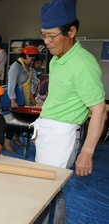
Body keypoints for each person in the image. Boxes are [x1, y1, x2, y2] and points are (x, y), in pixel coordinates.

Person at [31, 0, 107, 222]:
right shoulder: (57, 58)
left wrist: (86, 152)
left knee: (45, 191)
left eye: (52, 36)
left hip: (63, 136)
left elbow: (99, 110)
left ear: (72, 31)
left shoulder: (83, 64)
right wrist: (41, 130)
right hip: (48, 130)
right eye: (43, 35)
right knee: (48, 189)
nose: (46, 42)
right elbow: (57, 98)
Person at [3, 45, 39, 153]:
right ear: (26, 55)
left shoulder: (27, 67)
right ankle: (7, 143)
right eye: (31, 59)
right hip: (17, 99)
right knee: (15, 121)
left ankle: (16, 138)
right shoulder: (16, 67)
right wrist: (13, 101)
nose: (32, 62)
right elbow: (11, 85)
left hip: (25, 99)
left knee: (22, 121)